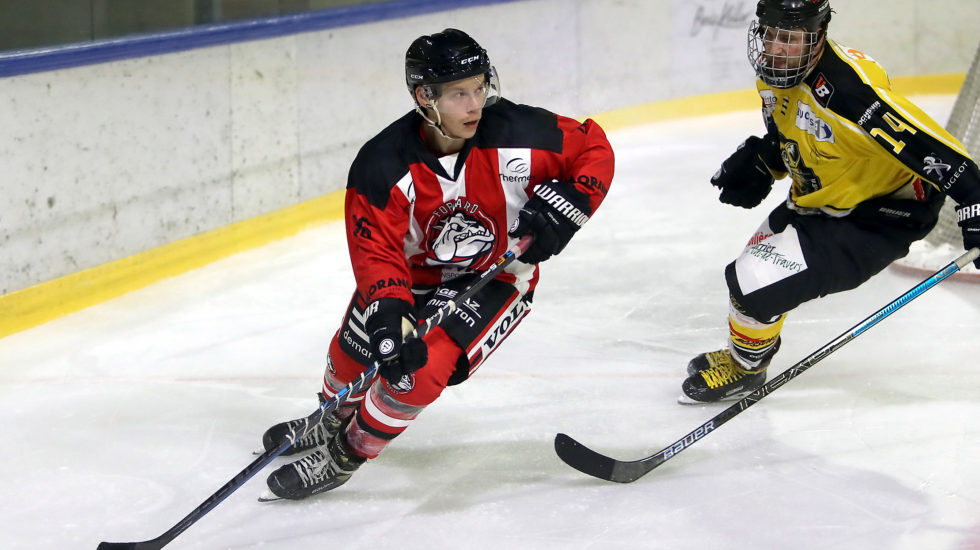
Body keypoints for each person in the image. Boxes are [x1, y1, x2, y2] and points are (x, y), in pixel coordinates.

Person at [261, 28, 614, 499]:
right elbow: (376, 250)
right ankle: (331, 415)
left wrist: (568, 205)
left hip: (497, 275)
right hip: (410, 278)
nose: (475, 104)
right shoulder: (382, 163)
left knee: (419, 370)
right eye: (458, 94)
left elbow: (594, 148)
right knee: (352, 355)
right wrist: (387, 311)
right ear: (424, 97)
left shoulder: (519, 133)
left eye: (479, 87)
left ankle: (347, 451)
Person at [681, 0, 980, 403]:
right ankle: (745, 358)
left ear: (818, 37)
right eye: (769, 34)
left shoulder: (850, 91)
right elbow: (800, 133)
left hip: (879, 216)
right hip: (820, 199)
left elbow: (931, 147)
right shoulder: (775, 76)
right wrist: (766, 159)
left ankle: (745, 368)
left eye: (789, 38)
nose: (776, 47)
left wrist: (975, 200)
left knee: (753, 284)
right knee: (747, 281)